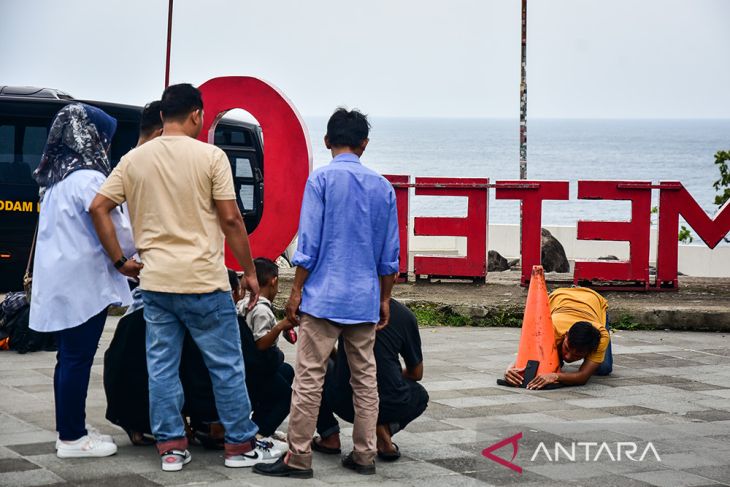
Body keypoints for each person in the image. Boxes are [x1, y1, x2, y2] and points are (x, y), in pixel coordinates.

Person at [89, 83, 280, 472]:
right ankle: (240, 445)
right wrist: (248, 271)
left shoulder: (135, 159)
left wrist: (120, 261)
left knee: (161, 365)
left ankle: (172, 447)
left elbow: (99, 207)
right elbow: (230, 218)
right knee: (225, 365)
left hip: (156, 283)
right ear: (196, 114)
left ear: (162, 116)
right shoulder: (212, 157)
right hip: (203, 281)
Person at [253, 108, 400, 479]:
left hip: (323, 298)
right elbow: (389, 257)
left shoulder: (320, 181)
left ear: (326, 141)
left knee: (309, 378)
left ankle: (299, 457)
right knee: (365, 381)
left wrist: (296, 289)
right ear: (364, 144)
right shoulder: (383, 188)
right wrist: (384, 299)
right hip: (364, 300)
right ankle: (365, 455)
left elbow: (310, 246)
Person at [29, 103, 137, 458]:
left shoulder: (56, 179)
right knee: (78, 357)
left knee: (69, 357)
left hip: (62, 282)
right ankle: (72, 438)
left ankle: (70, 426)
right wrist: (130, 255)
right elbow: (118, 229)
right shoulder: (91, 179)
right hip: (83, 285)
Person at [313, 299, 428, 461]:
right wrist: (389, 373)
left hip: (346, 402)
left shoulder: (344, 306)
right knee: (420, 394)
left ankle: (329, 435)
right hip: (391, 403)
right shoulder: (405, 316)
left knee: (313, 370)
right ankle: (383, 430)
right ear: (394, 278)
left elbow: (323, 346)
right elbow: (416, 373)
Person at [504, 287, 612, 390]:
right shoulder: (549, 328)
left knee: (604, 368)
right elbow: (528, 351)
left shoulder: (601, 336)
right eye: (567, 348)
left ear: (590, 350)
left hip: (593, 300)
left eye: (577, 355)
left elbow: (583, 377)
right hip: (560, 297)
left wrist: (555, 376)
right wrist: (510, 368)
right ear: (566, 335)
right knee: (548, 362)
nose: (568, 357)